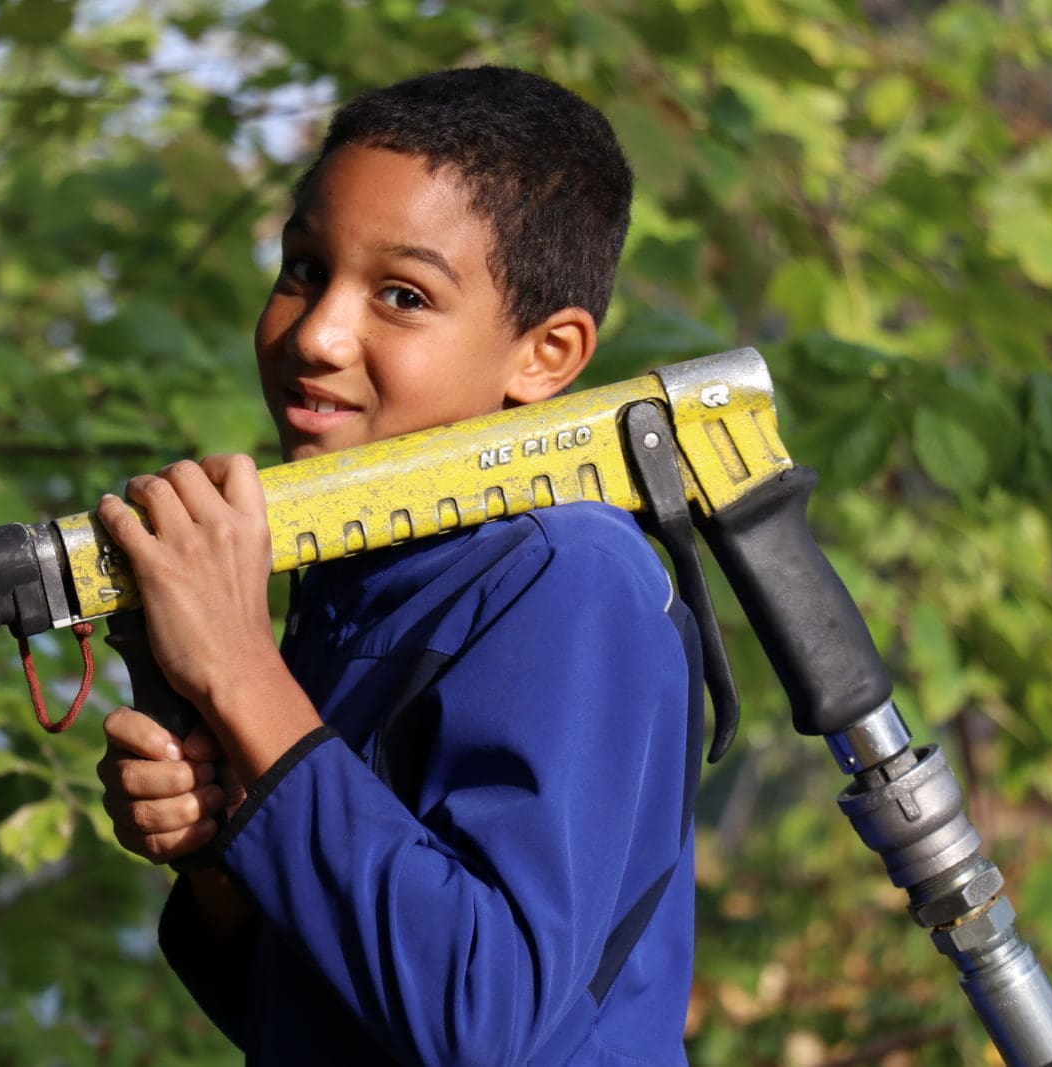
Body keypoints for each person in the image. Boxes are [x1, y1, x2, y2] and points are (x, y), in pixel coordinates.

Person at [94, 66, 704, 1065]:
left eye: (403, 296)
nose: (318, 333)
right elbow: (312, 1008)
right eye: (303, 268)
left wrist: (240, 669)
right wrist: (219, 840)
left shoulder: (568, 574)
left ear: (545, 356)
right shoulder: (357, 581)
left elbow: (481, 1015)